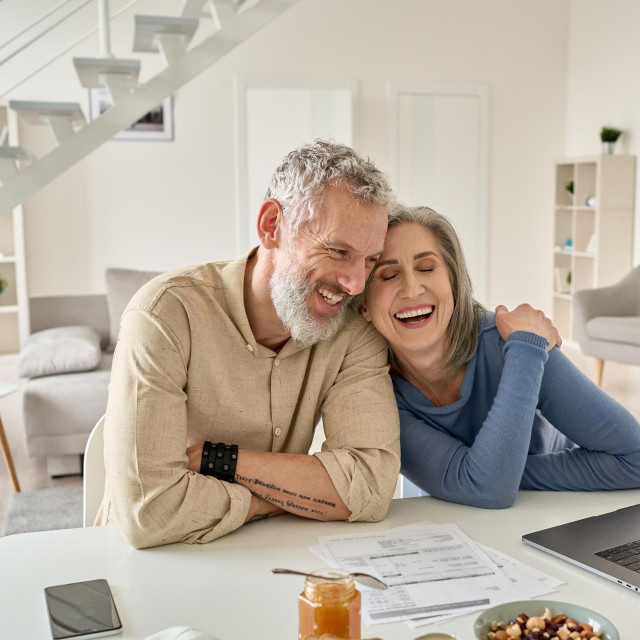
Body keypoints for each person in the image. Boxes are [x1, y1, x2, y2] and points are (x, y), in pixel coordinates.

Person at [97, 141, 401, 548]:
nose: (356, 283)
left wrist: (216, 459)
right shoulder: (165, 313)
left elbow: (369, 486)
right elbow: (149, 512)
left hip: (262, 558)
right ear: (272, 224)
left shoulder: (353, 332)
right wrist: (286, 498)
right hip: (145, 564)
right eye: (339, 251)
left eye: (369, 260)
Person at [361, 204, 640, 508]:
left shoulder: (520, 344)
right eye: (388, 275)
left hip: (554, 512)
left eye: (427, 268)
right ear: (363, 306)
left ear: (454, 284)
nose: (412, 289)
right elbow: (485, 486)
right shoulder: (373, 391)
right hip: (452, 524)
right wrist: (485, 476)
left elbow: (635, 457)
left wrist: (489, 474)